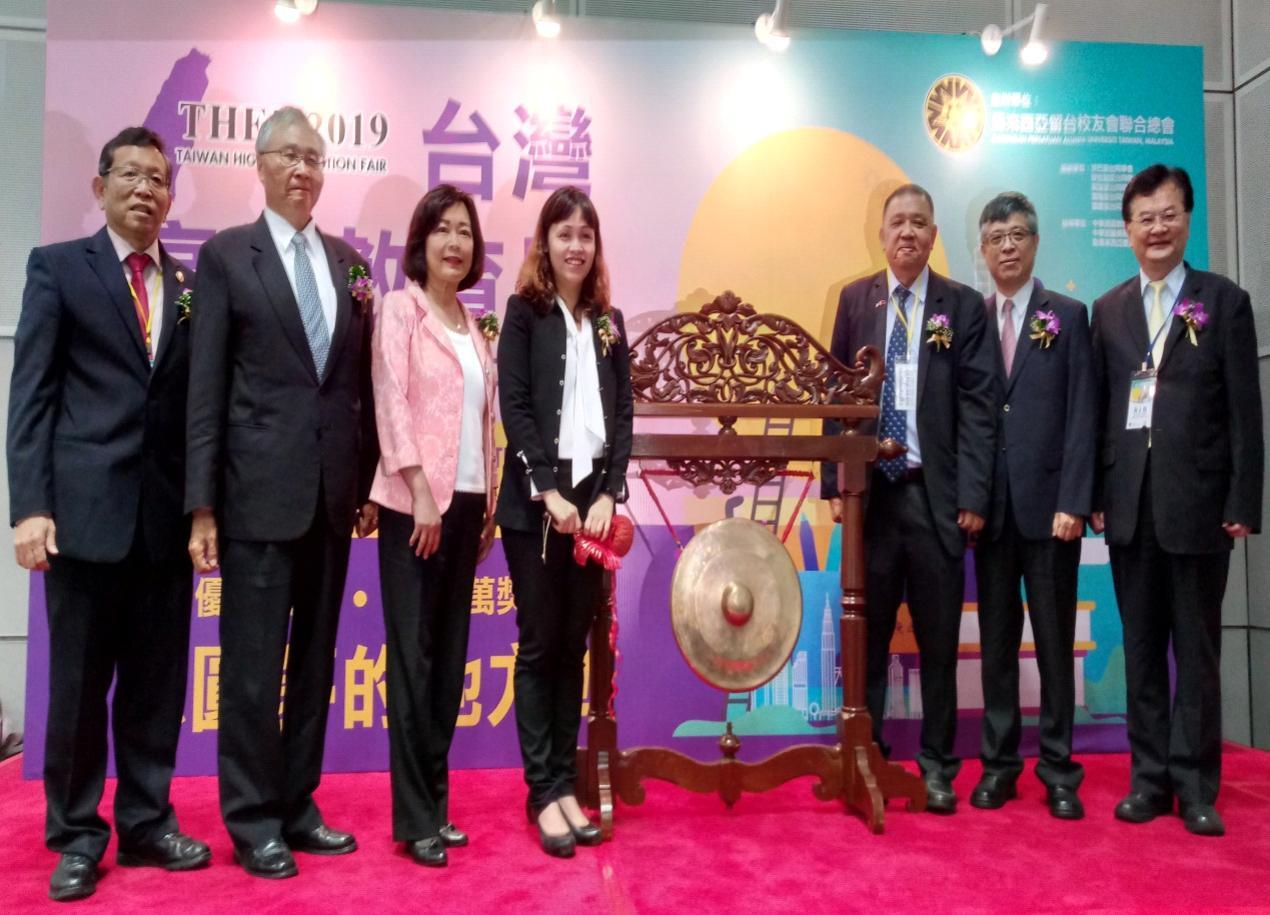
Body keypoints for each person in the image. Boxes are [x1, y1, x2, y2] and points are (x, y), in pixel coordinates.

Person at [7, 126, 210, 902]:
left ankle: (149, 819)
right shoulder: (60, 268)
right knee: (79, 686)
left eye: (159, 178)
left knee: (159, 686)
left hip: (162, 526)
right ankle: (78, 833)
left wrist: (200, 512)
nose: (145, 189)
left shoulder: (187, 286)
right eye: (130, 174)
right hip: (84, 521)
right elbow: (31, 399)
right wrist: (30, 507)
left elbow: (195, 411)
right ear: (100, 186)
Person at [185, 106, 379, 877]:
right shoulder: (231, 256)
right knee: (253, 666)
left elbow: (353, 388)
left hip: (332, 501)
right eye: (289, 156)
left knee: (317, 665)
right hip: (256, 500)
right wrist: (202, 504)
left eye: (314, 158)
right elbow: (206, 392)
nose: (303, 170)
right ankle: (252, 816)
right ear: (260, 166)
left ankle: (298, 803)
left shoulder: (346, 263)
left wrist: (364, 485)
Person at [1091, 164, 1262, 837]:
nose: (1156, 228)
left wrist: (1243, 497)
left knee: (1196, 648)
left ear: (1187, 220)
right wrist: (1100, 496)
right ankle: (1148, 778)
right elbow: (1105, 411)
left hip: (1199, 506)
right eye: (1144, 217)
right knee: (1139, 647)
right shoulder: (1108, 310)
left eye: (1168, 214)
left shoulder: (1223, 302)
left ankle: (1195, 783)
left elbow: (1246, 413)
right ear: (1127, 229)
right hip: (1130, 507)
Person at [821, 183, 996, 813]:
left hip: (935, 498)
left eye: (920, 223)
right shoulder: (855, 300)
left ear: (933, 234)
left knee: (939, 640)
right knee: (862, 637)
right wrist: (833, 486)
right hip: (871, 499)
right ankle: (863, 755)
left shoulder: (962, 306)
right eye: (898, 222)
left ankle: (938, 764)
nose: (908, 233)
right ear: (881, 231)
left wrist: (974, 493)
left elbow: (979, 409)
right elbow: (834, 396)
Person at [497, 186, 633, 857]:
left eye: (586, 233)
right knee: (541, 643)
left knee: (576, 646)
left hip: (593, 506)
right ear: (545, 242)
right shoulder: (525, 313)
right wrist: (547, 489)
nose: (576, 244)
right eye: (564, 232)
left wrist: (611, 491)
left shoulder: (608, 321)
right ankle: (542, 789)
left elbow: (625, 416)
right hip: (537, 508)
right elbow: (515, 406)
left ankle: (563, 782)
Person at [371, 184, 497, 868]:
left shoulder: (473, 323)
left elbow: (482, 425)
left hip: (469, 506)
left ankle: (437, 808)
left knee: (447, 664)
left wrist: (486, 506)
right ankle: (414, 816)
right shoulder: (402, 310)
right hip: (413, 506)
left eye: (465, 232)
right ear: (420, 242)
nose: (456, 242)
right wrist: (419, 488)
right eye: (443, 230)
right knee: (414, 663)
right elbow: (391, 398)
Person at [970, 192, 1094, 819]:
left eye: (1018, 234)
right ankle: (999, 767)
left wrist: (1075, 499)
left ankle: (1059, 770)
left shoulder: (1068, 315)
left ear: (1036, 242)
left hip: (1052, 515)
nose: (1008, 247)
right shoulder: (971, 319)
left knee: (1052, 644)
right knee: (997, 645)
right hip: (991, 515)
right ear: (983, 251)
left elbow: (1083, 415)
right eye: (996, 238)